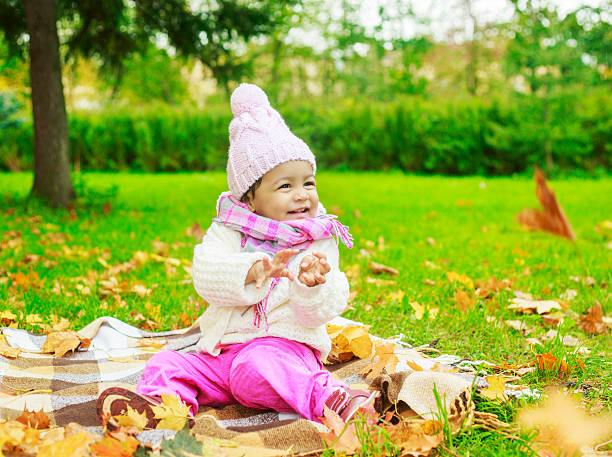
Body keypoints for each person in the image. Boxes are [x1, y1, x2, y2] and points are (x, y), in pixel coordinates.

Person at [97, 83, 377, 428]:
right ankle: (160, 407)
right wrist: (256, 269)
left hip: (282, 352)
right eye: (285, 186)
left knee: (257, 368)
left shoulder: (315, 238)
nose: (302, 195)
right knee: (166, 363)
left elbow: (318, 311)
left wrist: (310, 285)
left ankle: (331, 399)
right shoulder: (229, 230)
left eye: (309, 182)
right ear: (249, 199)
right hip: (221, 354)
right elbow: (206, 275)